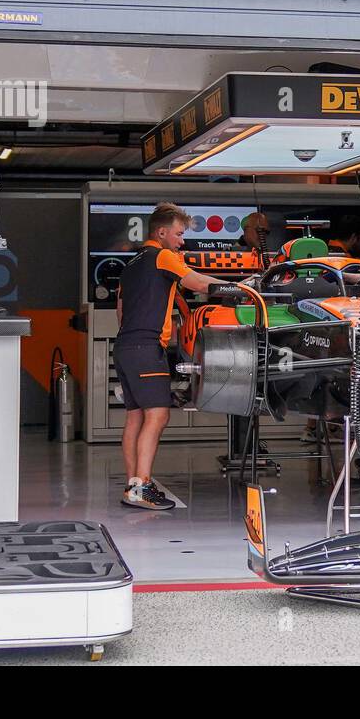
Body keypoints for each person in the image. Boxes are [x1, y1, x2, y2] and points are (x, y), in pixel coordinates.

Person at [116, 202, 229, 510]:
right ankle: (142, 487)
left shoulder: (131, 265)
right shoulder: (163, 256)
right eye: (179, 235)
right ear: (162, 232)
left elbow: (121, 311)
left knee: (135, 416)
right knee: (158, 414)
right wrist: (243, 288)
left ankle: (133, 485)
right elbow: (199, 283)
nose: (182, 242)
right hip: (145, 346)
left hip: (125, 345)